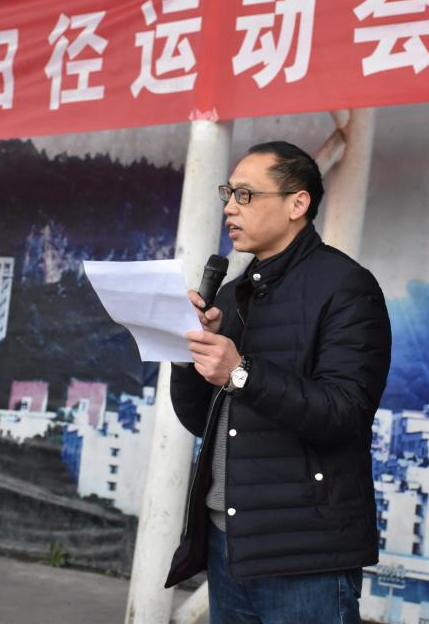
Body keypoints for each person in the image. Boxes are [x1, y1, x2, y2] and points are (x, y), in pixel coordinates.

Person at [165, 141, 392, 623]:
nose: (230, 207)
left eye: (246, 195)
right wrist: (188, 355)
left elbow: (344, 413)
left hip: (304, 551)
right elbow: (201, 421)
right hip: (228, 540)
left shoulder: (346, 287)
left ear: (297, 203)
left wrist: (240, 372)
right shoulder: (233, 293)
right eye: (228, 193)